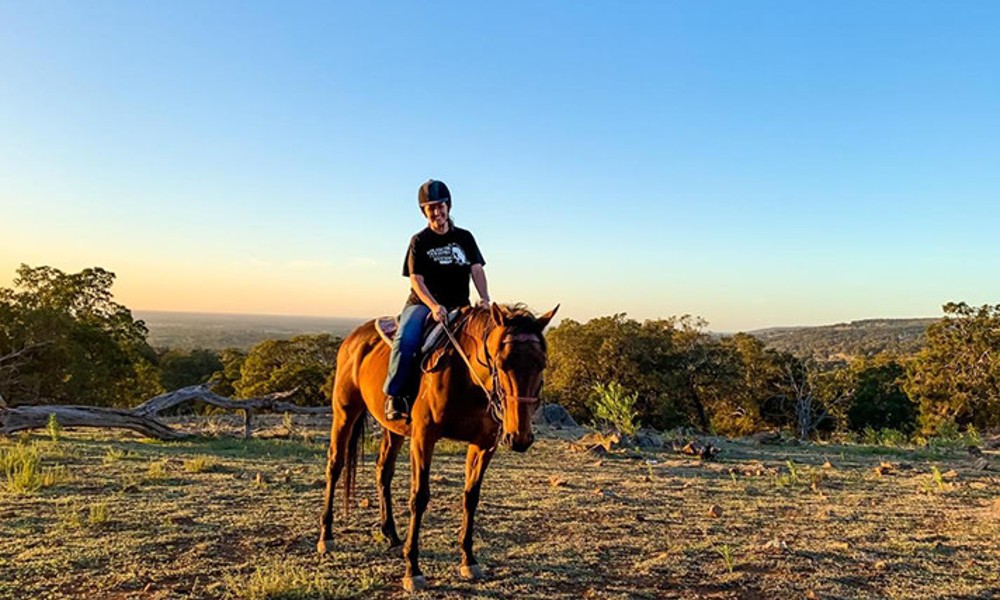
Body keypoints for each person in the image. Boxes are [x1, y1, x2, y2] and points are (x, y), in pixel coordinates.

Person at [383, 179, 491, 421]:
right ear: (424, 212)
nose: (436, 212)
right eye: (430, 207)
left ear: (448, 207)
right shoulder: (419, 241)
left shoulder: (465, 237)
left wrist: (484, 298)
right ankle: (395, 395)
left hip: (460, 304)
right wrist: (433, 306)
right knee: (406, 339)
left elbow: (477, 269)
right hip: (423, 304)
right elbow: (416, 280)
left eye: (440, 206)